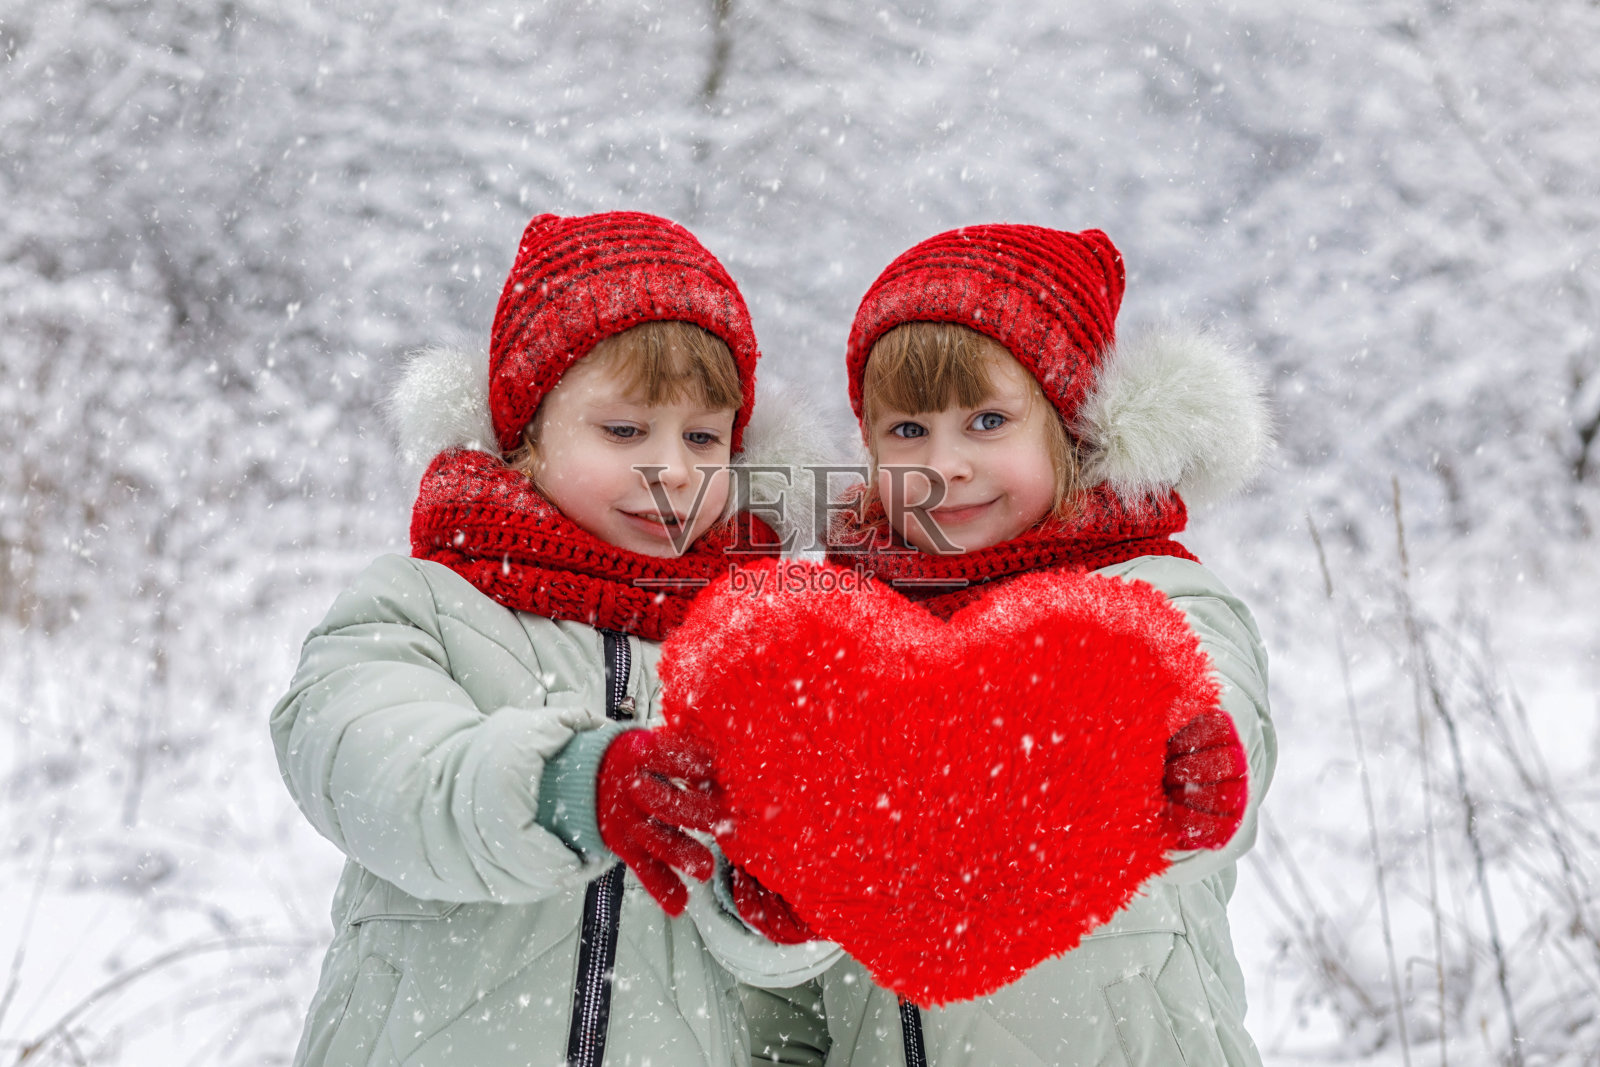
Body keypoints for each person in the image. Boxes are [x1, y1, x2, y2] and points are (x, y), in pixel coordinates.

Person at [269, 211, 837, 1067]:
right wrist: (561, 784)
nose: (673, 470)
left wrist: (782, 902)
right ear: (527, 436)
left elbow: (775, 995)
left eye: (702, 436)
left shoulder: (752, 654)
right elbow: (362, 758)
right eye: (625, 430)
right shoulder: (424, 603)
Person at [741, 224, 1278, 1065]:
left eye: (987, 420)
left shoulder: (1144, 590)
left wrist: (1181, 749)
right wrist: (775, 905)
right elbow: (783, 1003)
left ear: (1070, 428)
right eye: (908, 431)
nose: (944, 463)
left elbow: (1211, 703)